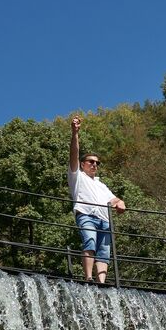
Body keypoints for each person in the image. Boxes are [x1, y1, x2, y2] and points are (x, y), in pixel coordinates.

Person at [68, 116, 126, 283]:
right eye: (91, 162)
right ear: (82, 164)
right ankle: (88, 278)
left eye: (97, 163)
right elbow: (74, 154)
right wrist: (75, 134)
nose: (94, 165)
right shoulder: (76, 176)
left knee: (104, 251)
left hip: (105, 220)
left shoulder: (101, 184)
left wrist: (120, 203)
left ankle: (101, 283)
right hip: (86, 215)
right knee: (90, 241)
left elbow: (114, 199)